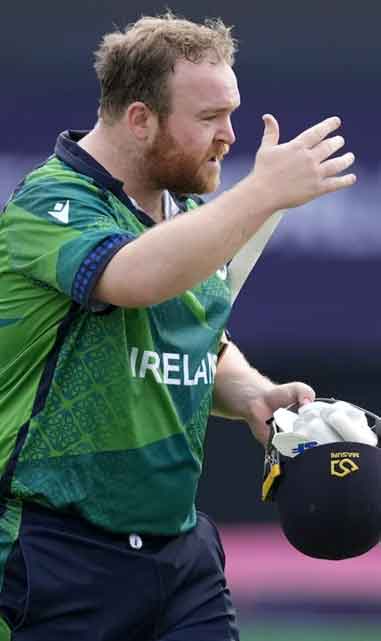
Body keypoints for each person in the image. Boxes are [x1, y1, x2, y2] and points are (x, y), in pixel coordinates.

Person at [0, 11, 356, 641]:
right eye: (209, 118)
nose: (228, 136)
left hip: (180, 551)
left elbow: (199, 338)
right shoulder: (48, 203)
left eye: (232, 113)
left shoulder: (184, 212)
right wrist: (261, 193)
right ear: (140, 119)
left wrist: (253, 396)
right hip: (54, 550)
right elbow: (135, 278)